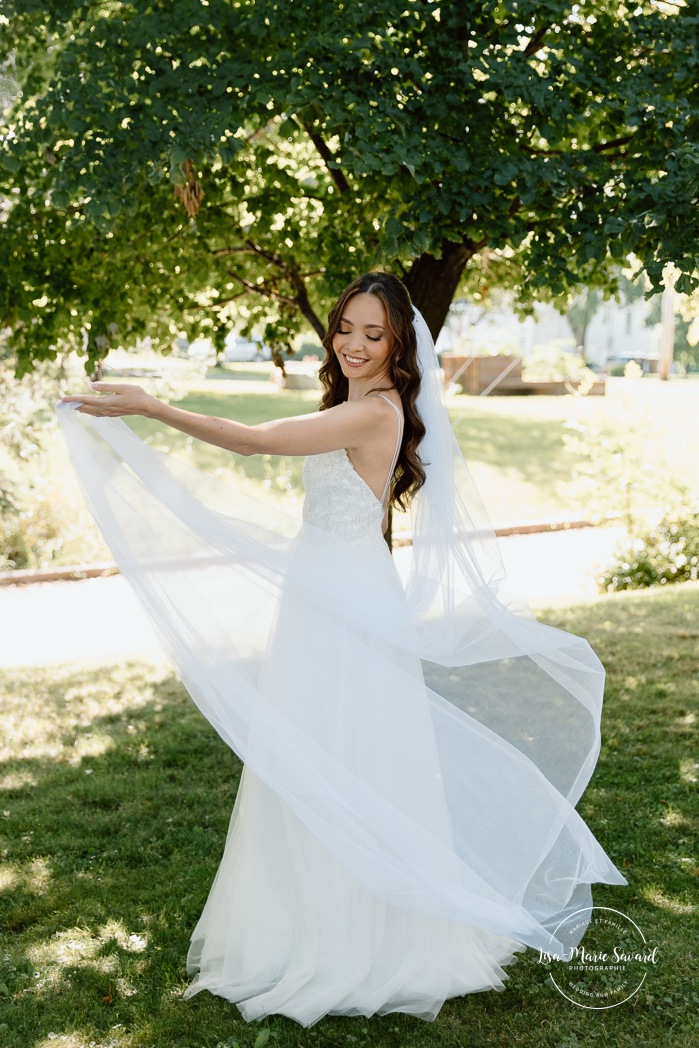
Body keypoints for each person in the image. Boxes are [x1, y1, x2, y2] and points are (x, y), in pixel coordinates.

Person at [58, 272, 627, 1027]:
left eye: (373, 334)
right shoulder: (355, 405)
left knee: (345, 750)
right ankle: (300, 921)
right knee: (311, 750)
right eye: (345, 329)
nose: (353, 345)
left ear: (398, 346)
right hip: (325, 590)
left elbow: (257, 443)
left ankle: (355, 938)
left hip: (343, 602)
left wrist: (151, 406)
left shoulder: (376, 412)